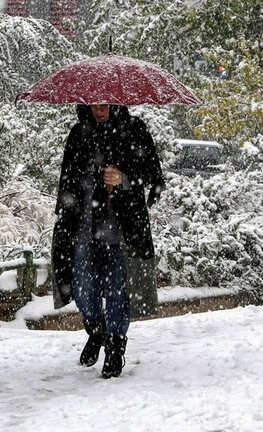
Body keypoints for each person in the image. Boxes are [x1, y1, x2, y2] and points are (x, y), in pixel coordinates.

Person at [51, 104, 164, 379]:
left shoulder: (133, 129)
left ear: (116, 102)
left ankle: (115, 346)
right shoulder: (79, 133)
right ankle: (96, 330)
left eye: (105, 103)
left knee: (117, 292)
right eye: (94, 104)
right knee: (81, 288)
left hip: (119, 230)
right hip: (82, 227)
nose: (99, 109)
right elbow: (66, 180)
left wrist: (124, 178)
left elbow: (153, 174)